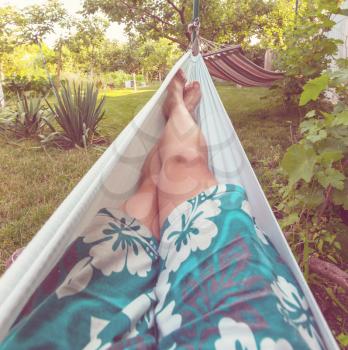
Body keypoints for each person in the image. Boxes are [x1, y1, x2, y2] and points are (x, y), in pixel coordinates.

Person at [0, 71, 325, 350]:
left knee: (144, 202)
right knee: (183, 167)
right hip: (239, 309)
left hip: (77, 325)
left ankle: (176, 114)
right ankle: (179, 111)